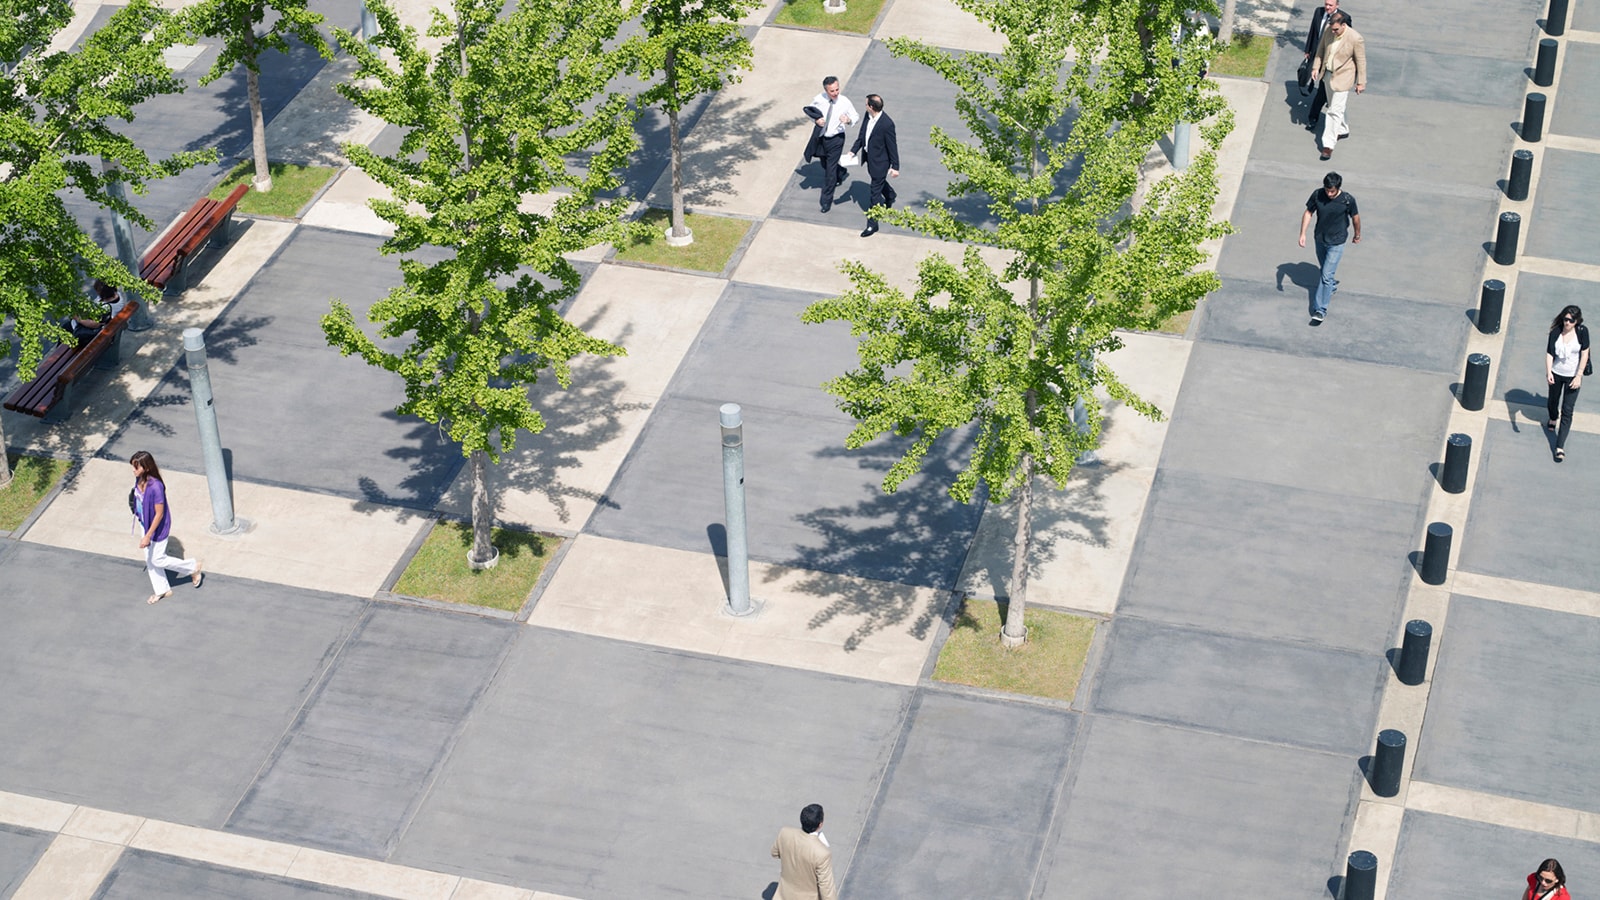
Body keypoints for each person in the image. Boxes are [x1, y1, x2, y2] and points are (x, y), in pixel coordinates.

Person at [131, 451, 202, 605]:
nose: (133, 470)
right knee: (150, 559)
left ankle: (192, 567)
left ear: (146, 468)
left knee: (157, 559)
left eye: (136, 467)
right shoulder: (139, 479)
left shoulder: (156, 486)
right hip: (145, 523)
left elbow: (159, 514)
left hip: (157, 527)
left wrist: (148, 536)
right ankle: (161, 589)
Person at [1297, 171, 1361, 323]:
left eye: (1332, 191)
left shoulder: (1347, 200)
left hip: (1337, 242)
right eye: (1327, 190)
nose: (1329, 193)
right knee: (1326, 271)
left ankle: (1320, 310)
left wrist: (1357, 234)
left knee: (1325, 275)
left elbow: (1355, 218)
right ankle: (1330, 286)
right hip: (1320, 239)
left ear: (1338, 188)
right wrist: (1302, 234)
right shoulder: (1317, 195)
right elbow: (1308, 213)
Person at [1311, 10, 1365, 159]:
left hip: (1344, 78)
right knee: (1336, 106)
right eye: (1331, 28)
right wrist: (1316, 67)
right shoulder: (1329, 31)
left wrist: (1361, 82)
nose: (1333, 32)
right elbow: (1320, 49)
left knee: (1333, 111)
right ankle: (1343, 129)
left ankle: (1328, 145)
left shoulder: (1355, 38)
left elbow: (1361, 61)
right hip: (1328, 75)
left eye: (1336, 29)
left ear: (1343, 25)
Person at [804, 76, 857, 214]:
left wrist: (848, 119)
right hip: (822, 138)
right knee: (824, 163)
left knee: (830, 171)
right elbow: (809, 112)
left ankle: (826, 201)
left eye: (837, 89)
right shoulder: (819, 99)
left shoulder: (844, 102)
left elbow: (855, 116)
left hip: (836, 139)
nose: (835, 93)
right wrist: (816, 120)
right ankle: (841, 172)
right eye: (832, 91)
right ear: (826, 90)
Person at [851, 94, 900, 238]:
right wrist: (853, 151)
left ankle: (873, 224)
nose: (865, 106)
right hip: (870, 160)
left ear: (871, 107)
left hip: (881, 162)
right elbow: (862, 136)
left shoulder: (887, 124)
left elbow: (892, 147)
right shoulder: (868, 116)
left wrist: (895, 167)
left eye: (866, 104)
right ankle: (890, 194)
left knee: (874, 193)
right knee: (877, 181)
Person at [1546, 305, 1590, 463]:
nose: (1567, 323)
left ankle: (1559, 446)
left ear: (1577, 321)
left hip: (1573, 376)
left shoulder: (1582, 332)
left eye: (1571, 320)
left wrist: (1579, 376)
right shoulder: (1556, 332)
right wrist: (1549, 372)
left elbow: (1585, 354)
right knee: (1552, 401)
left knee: (1567, 410)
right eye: (1565, 319)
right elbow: (1550, 353)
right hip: (1557, 374)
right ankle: (1552, 417)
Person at [771, 803, 837, 900]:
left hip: (784, 895)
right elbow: (826, 888)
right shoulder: (822, 853)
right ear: (820, 824)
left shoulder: (785, 833)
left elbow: (774, 853)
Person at [1302, 0, 1339, 127]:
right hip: (1317, 53)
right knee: (1311, 76)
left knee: (1322, 90)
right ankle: (1313, 88)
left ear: (1337, 6)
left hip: (1330, 59)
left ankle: (1313, 117)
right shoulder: (1318, 12)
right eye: (1326, 4)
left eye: (1330, 5)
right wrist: (1308, 49)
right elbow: (1313, 30)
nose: (1327, 7)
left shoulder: (1343, 18)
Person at [65, 280, 127, 346]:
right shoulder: (116, 295)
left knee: (66, 328)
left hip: (97, 332)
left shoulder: (106, 308)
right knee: (67, 327)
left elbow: (95, 324)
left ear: (104, 293)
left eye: (98, 291)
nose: (97, 293)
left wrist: (77, 318)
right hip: (101, 323)